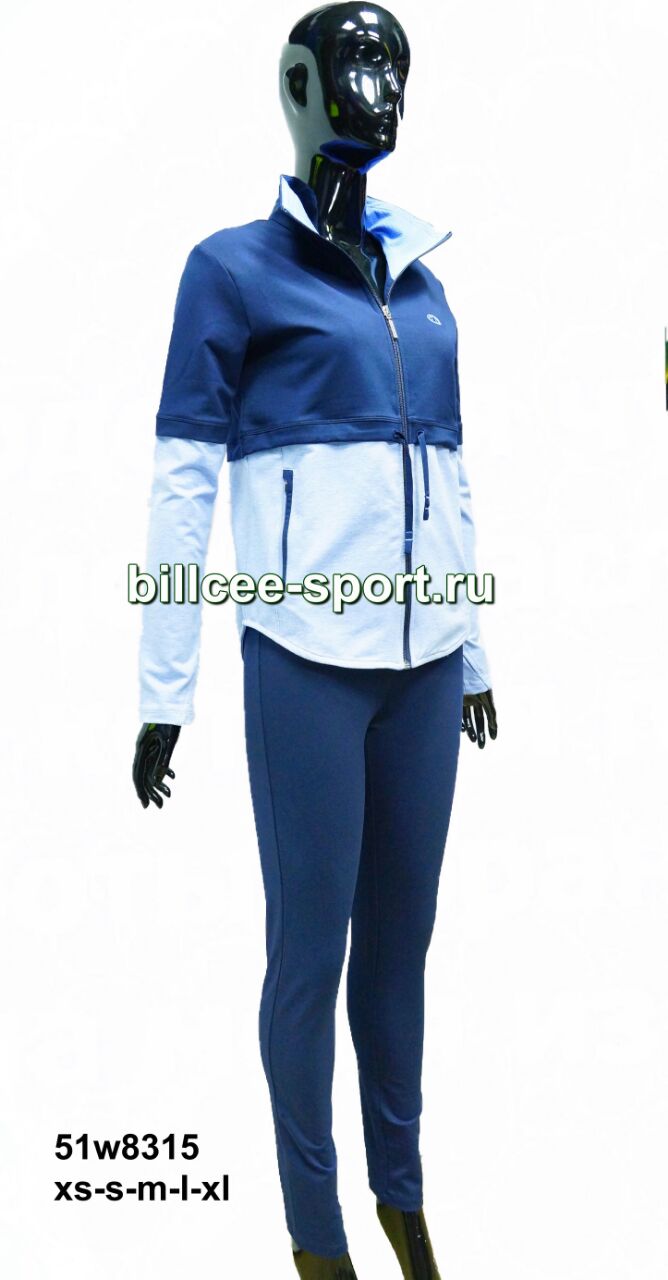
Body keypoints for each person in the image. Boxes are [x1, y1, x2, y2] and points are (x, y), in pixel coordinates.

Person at [133, 6, 497, 1276]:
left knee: (400, 952)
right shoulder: (230, 271)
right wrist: (164, 686)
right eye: (354, 60)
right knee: (310, 954)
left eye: (395, 62)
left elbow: (449, 484)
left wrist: (474, 652)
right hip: (303, 665)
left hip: (424, 673)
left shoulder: (425, 284)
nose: (377, 83)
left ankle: (402, 1197)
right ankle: (315, 1230)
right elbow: (182, 482)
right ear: (296, 85)